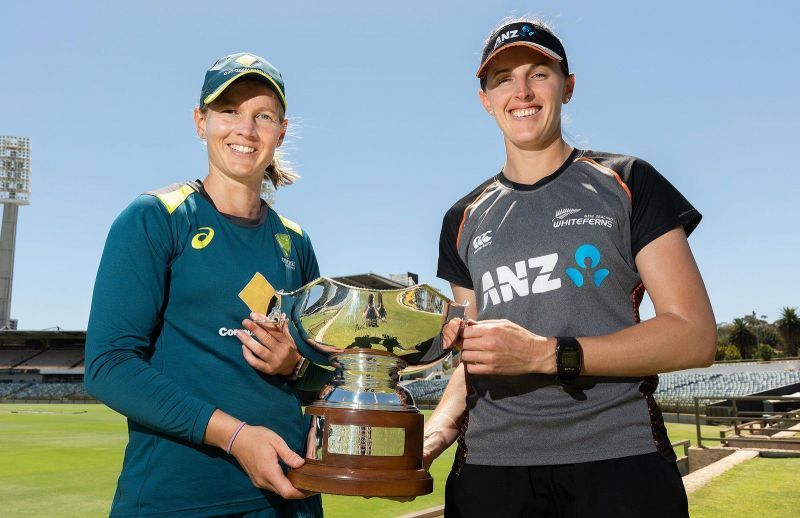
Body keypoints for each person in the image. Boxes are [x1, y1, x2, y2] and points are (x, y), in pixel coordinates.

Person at [423, 18, 716, 518]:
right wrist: (436, 433)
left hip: (619, 460)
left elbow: (694, 336)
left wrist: (548, 355)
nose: (522, 92)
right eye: (503, 80)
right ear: (485, 100)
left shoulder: (628, 182)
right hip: (491, 471)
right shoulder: (462, 218)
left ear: (568, 86)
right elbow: (473, 356)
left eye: (539, 73)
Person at [85, 52, 328, 517]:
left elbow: (321, 378)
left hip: (289, 497)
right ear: (201, 122)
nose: (246, 128)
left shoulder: (295, 242)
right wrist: (235, 437)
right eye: (229, 111)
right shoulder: (155, 217)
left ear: (281, 130)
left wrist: (296, 366)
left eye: (263, 116)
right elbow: (109, 364)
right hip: (177, 500)